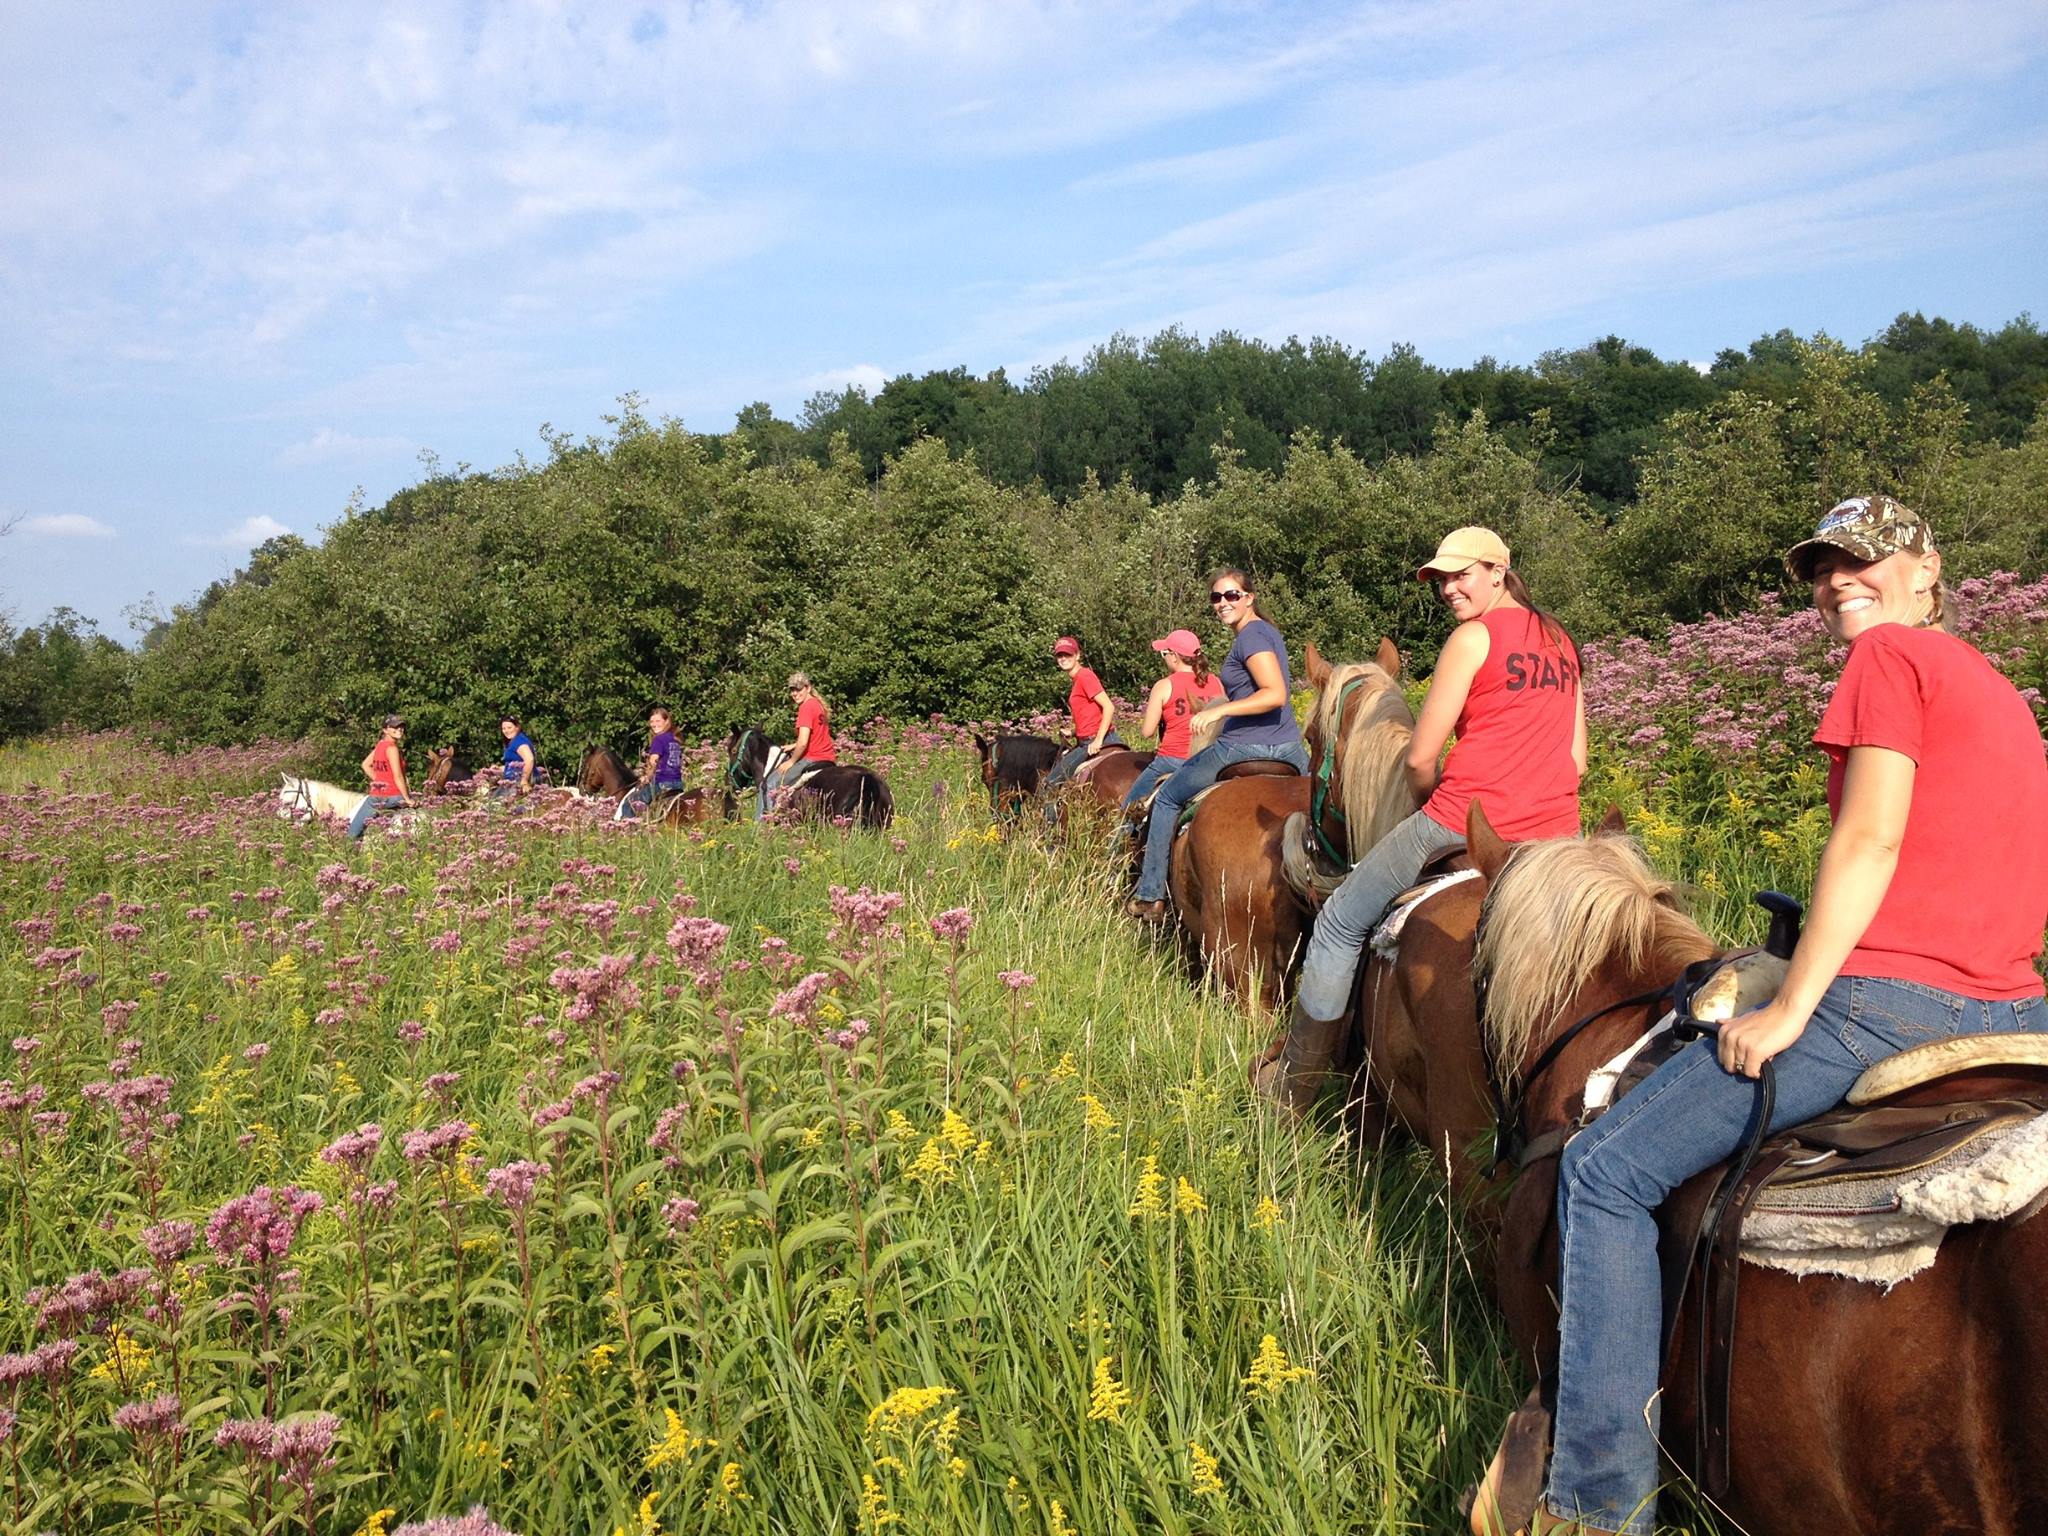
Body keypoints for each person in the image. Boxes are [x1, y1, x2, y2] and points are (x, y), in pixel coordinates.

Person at [1477, 496, 2048, 1536]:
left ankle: (1595, 1504)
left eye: (1860, 563)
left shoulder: (1885, 662)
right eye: (1821, 571)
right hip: (2014, 1004)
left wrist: (1792, 1007)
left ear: (1925, 567)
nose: (1837, 585)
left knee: (1602, 1173)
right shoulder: (1998, 691)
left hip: (1886, 1006)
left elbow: (1868, 843)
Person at [1257, 526, 1586, 1110]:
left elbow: (1418, 757)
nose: (1449, 590)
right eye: (1441, 579)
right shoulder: (1562, 642)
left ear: (1497, 571)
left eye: (1461, 575)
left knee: (1336, 921)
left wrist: (1425, 802)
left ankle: (1295, 1089)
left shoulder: (1472, 638)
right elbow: (1577, 760)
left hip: (1462, 819)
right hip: (1557, 834)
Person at [1126, 569, 1309, 920]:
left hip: (1243, 746)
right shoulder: (1266, 632)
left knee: (1166, 798)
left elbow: (1274, 694)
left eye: (1231, 595)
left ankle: (1150, 894)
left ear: (1249, 597)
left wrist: (1219, 711)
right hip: (1288, 747)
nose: (1222, 603)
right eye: (1216, 597)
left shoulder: (1250, 638)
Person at [1113, 629, 1225, 837]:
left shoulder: (1164, 685)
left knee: (1127, 811)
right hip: (1210, 760)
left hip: (1172, 759)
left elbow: (1147, 732)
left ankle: (1115, 857)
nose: (1163, 658)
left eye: (1164, 653)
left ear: (1174, 656)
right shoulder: (1216, 682)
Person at [1041, 637, 1120, 820]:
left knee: (1051, 784)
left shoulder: (1085, 676)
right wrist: (1074, 732)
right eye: (1060, 655)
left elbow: (1108, 706)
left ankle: (1051, 838)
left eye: (1067, 654)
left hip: (1094, 741)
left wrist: (1098, 740)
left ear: (1077, 655)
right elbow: (1092, 714)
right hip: (1096, 737)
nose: (1063, 658)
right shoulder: (1078, 679)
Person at [758, 672, 835, 819]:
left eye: (798, 689)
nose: (795, 693)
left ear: (808, 688)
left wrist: (791, 761)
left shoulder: (805, 708)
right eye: (792, 690)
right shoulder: (817, 705)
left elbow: (804, 742)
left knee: (768, 784)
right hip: (828, 757)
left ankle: (760, 826)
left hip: (813, 758)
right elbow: (816, 735)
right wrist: (794, 745)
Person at [347, 714, 413, 840]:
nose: (399, 729)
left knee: (352, 833)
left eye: (401, 727)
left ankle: (351, 847)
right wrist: (407, 798)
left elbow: (365, 765)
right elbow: (398, 776)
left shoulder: (380, 745)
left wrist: (379, 782)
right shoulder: (392, 748)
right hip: (394, 796)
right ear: (385, 730)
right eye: (394, 727)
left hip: (376, 797)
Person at [622, 706, 686, 819]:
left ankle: (628, 831)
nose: (654, 724)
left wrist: (646, 777)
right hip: (678, 783)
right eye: (652, 721)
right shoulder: (675, 739)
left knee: (629, 803)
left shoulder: (658, 739)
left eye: (658, 721)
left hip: (661, 783)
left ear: (667, 721)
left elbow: (653, 762)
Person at [494, 715, 537, 803]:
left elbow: (529, 759)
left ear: (517, 727)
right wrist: (497, 769)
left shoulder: (519, 742)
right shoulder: (515, 741)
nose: (506, 731)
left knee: (494, 805)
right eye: (504, 728)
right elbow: (515, 763)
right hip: (511, 780)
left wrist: (524, 781)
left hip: (516, 781)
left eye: (509, 727)